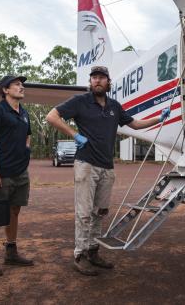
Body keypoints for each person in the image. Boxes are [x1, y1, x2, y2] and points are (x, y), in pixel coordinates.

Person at [46, 65, 170, 276]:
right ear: (90, 81)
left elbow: (135, 124)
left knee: (99, 212)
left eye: (101, 77)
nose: (97, 81)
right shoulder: (80, 101)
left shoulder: (114, 106)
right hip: (86, 165)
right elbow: (51, 116)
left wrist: (159, 118)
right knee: (84, 213)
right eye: (94, 77)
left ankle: (93, 252)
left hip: (107, 167)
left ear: (108, 82)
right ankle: (80, 255)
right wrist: (74, 135)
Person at [0, 75, 34, 276]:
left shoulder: (24, 113)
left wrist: (26, 152)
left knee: (14, 211)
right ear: (5, 90)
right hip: (0, 174)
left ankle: (11, 252)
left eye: (22, 84)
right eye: (17, 84)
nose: (21, 87)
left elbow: (28, 135)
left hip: (21, 173)